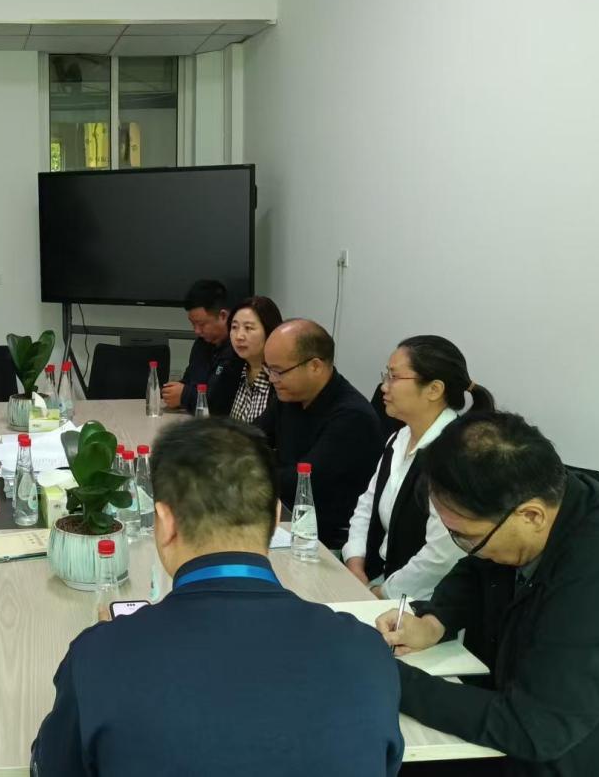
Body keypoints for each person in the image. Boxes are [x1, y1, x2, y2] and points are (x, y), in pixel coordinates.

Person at [31, 418, 403, 776]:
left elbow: (50, 767)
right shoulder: (367, 653)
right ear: (276, 517)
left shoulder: (98, 657)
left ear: (166, 522)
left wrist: (111, 641)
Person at [380, 412, 599, 776]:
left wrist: (390, 677)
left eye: (464, 536)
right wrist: (435, 620)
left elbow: (533, 729)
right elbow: (480, 565)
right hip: (545, 722)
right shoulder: (540, 496)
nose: (464, 546)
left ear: (531, 516)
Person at [343, 335, 495, 601]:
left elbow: (441, 556)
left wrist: (382, 592)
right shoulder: (398, 438)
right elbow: (367, 505)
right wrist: (355, 561)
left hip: (425, 600)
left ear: (434, 389)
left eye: (394, 377)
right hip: (378, 580)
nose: (383, 387)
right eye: (386, 375)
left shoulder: (457, 455)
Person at [258, 318, 381, 549]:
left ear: (315, 366)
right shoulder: (289, 396)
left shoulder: (352, 416)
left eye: (279, 371)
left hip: (327, 540)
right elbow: (250, 438)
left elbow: (302, 482)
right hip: (285, 519)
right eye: (268, 369)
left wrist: (248, 472)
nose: (272, 379)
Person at [208, 294, 283, 423]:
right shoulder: (229, 369)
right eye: (234, 327)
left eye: (248, 328)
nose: (239, 336)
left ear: (269, 331)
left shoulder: (282, 378)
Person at [161, 279, 232, 412]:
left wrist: (184, 396)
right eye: (193, 324)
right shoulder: (201, 344)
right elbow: (189, 382)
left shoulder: (238, 350)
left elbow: (220, 403)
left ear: (223, 316)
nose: (197, 331)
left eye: (201, 324)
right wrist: (173, 392)